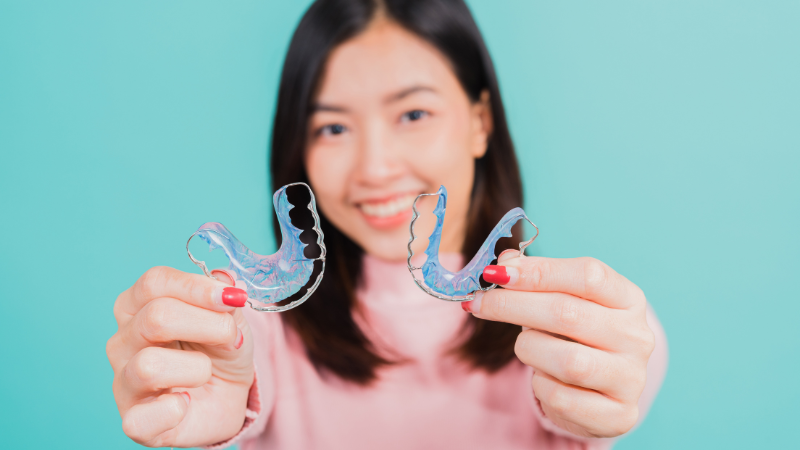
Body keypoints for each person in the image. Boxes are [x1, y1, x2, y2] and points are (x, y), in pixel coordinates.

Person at [106, 0, 668, 448]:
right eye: (332, 128)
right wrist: (201, 392)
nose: (374, 168)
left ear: (480, 122)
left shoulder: (570, 334)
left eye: (413, 114)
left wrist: (610, 385)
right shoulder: (255, 338)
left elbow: (614, 387)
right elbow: (230, 375)